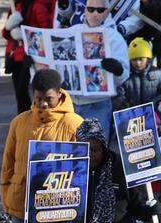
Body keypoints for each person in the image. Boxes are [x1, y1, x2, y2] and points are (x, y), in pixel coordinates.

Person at [0, 68, 84, 223]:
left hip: (58, 210)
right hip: (19, 206)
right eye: (38, 98)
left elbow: (81, 172)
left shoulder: (75, 124)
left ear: (59, 94)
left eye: (48, 98)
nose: (43, 103)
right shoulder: (19, 122)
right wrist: (6, 201)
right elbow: (8, 164)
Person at [76, 117, 156, 223]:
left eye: (95, 150)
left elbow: (138, 208)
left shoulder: (121, 168)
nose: (90, 155)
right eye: (84, 150)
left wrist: (150, 209)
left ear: (103, 147)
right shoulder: (72, 170)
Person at [66, 0, 130, 143]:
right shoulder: (72, 32)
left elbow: (124, 74)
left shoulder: (115, 38)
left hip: (98, 104)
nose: (95, 14)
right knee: (71, 149)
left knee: (97, 151)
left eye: (100, 10)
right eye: (91, 9)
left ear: (107, 12)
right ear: (85, 10)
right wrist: (34, 60)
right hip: (70, 104)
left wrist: (118, 70)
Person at [3, 0, 56, 114]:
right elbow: (6, 35)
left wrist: (27, 38)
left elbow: (47, 32)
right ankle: (24, 121)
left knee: (38, 92)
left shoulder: (38, 6)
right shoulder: (16, 5)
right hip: (16, 56)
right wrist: (8, 27)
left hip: (33, 58)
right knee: (20, 93)